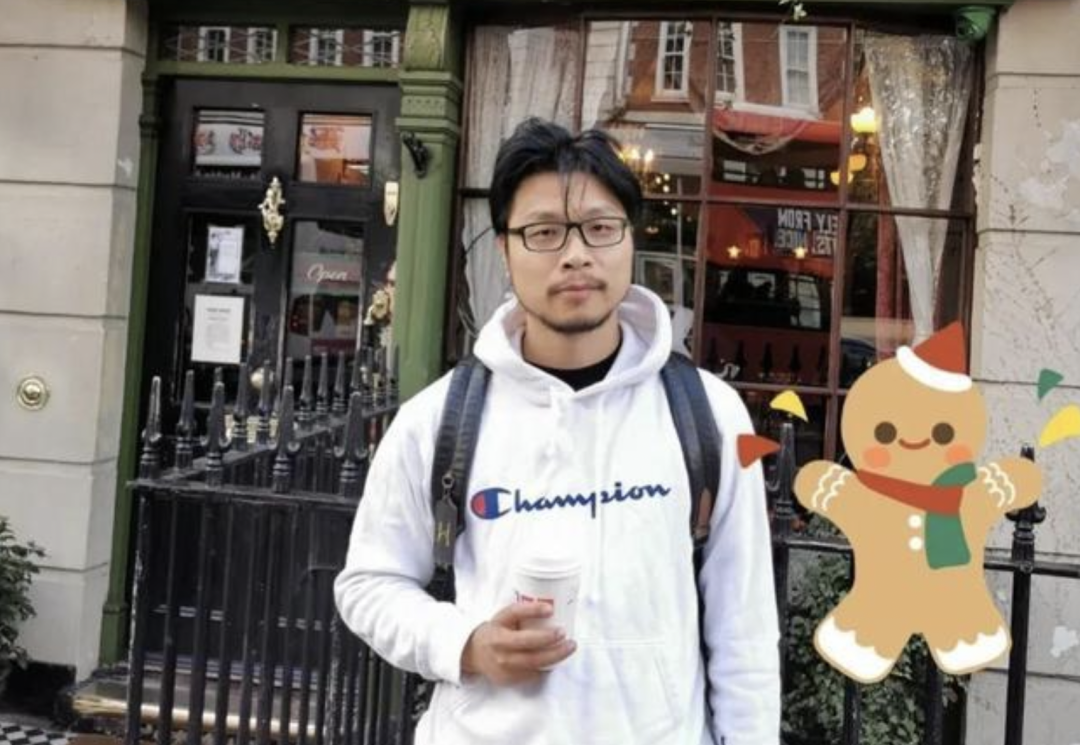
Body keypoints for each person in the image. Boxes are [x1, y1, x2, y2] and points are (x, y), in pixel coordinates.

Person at [334, 119, 780, 744]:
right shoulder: (438, 419)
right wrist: (465, 644)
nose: (575, 254)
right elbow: (368, 584)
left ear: (630, 238)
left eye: (599, 228)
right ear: (504, 249)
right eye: (544, 232)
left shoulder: (709, 413)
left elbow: (744, 628)